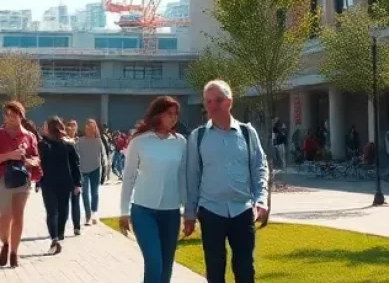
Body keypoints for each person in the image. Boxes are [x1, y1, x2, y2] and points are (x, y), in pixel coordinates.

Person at [184, 80, 268, 283]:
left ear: (230, 102)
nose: (212, 105)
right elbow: (192, 175)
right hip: (210, 210)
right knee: (215, 270)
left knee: (245, 269)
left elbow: (259, 167)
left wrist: (262, 200)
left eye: (218, 100)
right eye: (208, 101)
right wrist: (189, 213)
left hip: (242, 210)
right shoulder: (198, 136)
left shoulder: (248, 134)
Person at [119, 96, 186, 283]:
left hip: (171, 212)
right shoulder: (139, 141)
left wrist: (188, 210)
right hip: (144, 211)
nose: (173, 118)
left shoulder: (181, 142)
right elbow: (129, 177)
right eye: (169, 114)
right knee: (154, 263)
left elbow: (184, 177)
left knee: (166, 267)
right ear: (157, 114)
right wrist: (124, 211)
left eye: (176, 114)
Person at [0, 101, 41, 268]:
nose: (10, 118)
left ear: (21, 116)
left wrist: (30, 161)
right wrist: (10, 155)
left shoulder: (29, 136)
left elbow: (37, 158)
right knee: (5, 216)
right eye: (7, 114)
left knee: (18, 215)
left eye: (14, 114)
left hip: (22, 180)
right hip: (2, 179)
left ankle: (15, 252)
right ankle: (5, 243)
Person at [38, 115, 81, 254]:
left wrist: (77, 183)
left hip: (64, 182)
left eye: (47, 126)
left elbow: (75, 165)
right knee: (52, 211)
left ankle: (58, 236)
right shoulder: (43, 144)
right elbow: (38, 163)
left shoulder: (68, 145)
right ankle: (55, 239)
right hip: (48, 183)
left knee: (61, 211)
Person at [77, 119, 105, 226]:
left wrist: (104, 171)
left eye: (92, 128)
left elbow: (104, 156)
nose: (89, 130)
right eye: (87, 128)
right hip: (83, 170)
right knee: (84, 193)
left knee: (95, 192)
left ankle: (94, 213)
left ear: (95, 129)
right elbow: (75, 155)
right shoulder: (80, 141)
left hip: (96, 169)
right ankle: (87, 215)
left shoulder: (99, 141)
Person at [64, 119, 83, 235]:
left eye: (74, 127)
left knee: (75, 202)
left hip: (76, 177)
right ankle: (61, 226)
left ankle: (77, 227)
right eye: (70, 127)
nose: (72, 129)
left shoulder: (79, 142)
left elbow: (78, 162)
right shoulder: (65, 143)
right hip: (66, 177)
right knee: (65, 203)